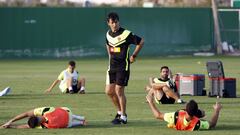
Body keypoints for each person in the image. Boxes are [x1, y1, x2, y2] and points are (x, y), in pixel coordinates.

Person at [105, 12, 144, 124]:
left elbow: (141, 42)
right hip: (111, 67)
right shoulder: (107, 34)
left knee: (118, 90)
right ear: (108, 23)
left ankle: (124, 116)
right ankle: (119, 112)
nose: (114, 24)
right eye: (112, 22)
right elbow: (107, 44)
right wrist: (110, 56)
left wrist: (134, 55)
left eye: (116, 22)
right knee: (109, 92)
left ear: (119, 21)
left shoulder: (126, 34)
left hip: (123, 66)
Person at [146, 92, 222, 131]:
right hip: (194, 116)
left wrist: (150, 102)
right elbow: (212, 124)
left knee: (202, 113)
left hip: (180, 120)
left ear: (185, 109)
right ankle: (201, 113)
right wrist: (217, 110)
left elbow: (158, 115)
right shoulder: (197, 123)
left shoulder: (176, 115)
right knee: (203, 113)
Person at [1, 107, 86, 129]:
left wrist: (11, 124)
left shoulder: (45, 126)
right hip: (67, 112)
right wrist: (10, 122)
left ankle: (80, 122)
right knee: (65, 113)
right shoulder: (46, 111)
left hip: (68, 123)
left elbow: (27, 126)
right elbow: (26, 114)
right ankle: (80, 119)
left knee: (68, 124)